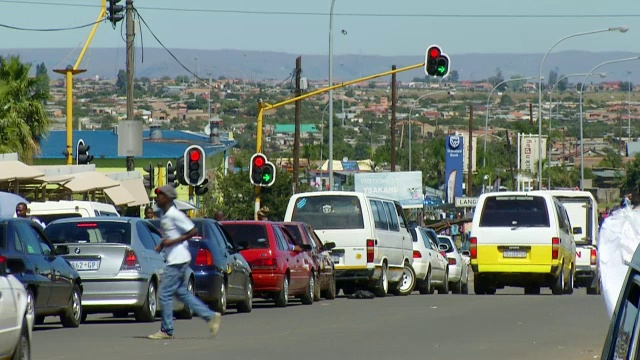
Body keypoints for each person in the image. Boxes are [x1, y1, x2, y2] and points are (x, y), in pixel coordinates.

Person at [148, 185, 221, 340]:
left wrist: (173, 241)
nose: (157, 198)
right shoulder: (165, 215)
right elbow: (171, 234)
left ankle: (167, 330)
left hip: (178, 259)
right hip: (175, 258)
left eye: (159, 195)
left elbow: (193, 231)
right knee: (181, 293)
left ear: (167, 198)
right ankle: (210, 316)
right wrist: (162, 243)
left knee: (165, 294)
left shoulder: (175, 214)